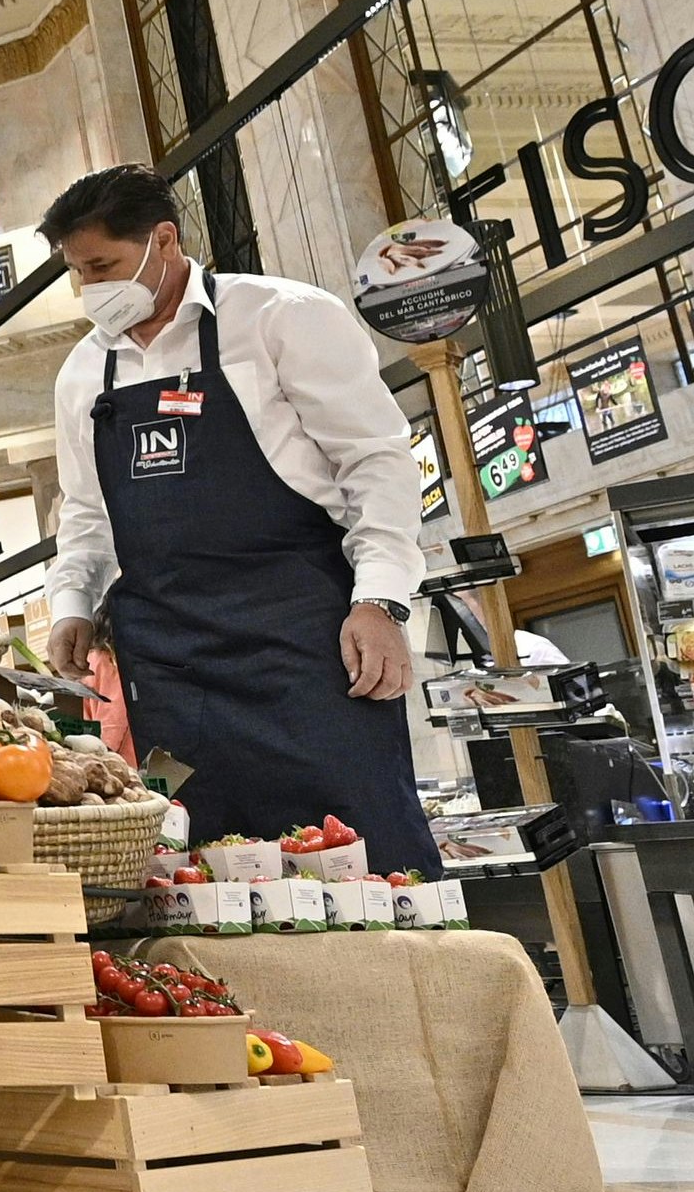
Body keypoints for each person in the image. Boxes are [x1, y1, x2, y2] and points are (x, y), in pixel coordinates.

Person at [34, 166, 439, 877]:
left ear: (164, 239)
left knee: (363, 855)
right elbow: (87, 516)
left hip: (303, 640)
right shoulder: (83, 372)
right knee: (206, 870)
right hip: (169, 661)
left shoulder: (281, 316)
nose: (89, 290)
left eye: (103, 267)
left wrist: (379, 599)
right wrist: (70, 606)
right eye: (77, 272)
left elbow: (376, 464)